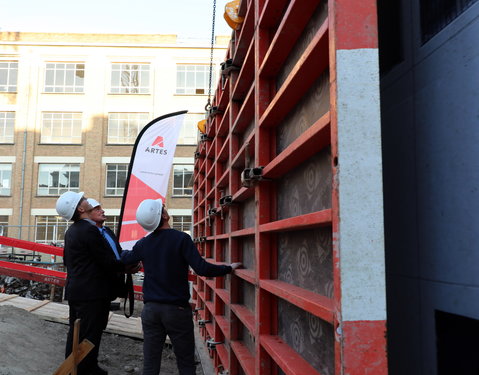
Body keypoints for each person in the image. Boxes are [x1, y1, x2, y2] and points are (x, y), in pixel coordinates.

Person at [121, 199, 241, 375]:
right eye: (163, 208)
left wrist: (123, 255)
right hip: (176, 310)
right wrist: (228, 268)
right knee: (185, 363)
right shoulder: (181, 239)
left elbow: (126, 258)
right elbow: (201, 268)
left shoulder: (143, 243)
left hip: (151, 310)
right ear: (163, 215)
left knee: (150, 363)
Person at [56, 191, 129, 375]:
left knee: (78, 334)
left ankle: (82, 368)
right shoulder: (88, 230)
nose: (88, 201)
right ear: (81, 208)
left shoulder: (73, 230)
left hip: (80, 291)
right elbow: (106, 260)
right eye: (84, 200)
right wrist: (128, 267)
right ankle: (80, 370)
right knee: (88, 335)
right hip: (91, 294)